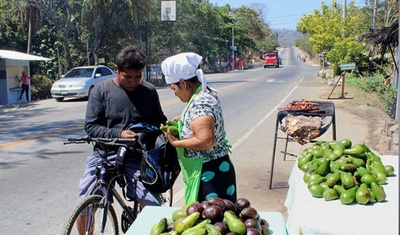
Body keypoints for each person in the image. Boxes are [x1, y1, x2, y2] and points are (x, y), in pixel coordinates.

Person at [76, 45, 167, 232]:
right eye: (128, 77)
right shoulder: (100, 91)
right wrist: (119, 134)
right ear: (116, 70)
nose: (133, 82)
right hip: (105, 154)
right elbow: (91, 127)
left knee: (152, 204)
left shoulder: (149, 91)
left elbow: (159, 122)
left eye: (138, 76)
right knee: (85, 198)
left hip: (136, 156)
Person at [161, 52, 237, 204]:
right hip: (215, 169)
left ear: (183, 83)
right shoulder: (203, 94)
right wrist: (183, 119)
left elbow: (206, 140)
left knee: (212, 221)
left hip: (210, 174)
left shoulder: (200, 103)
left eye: (173, 88)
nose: (175, 94)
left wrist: (176, 143)